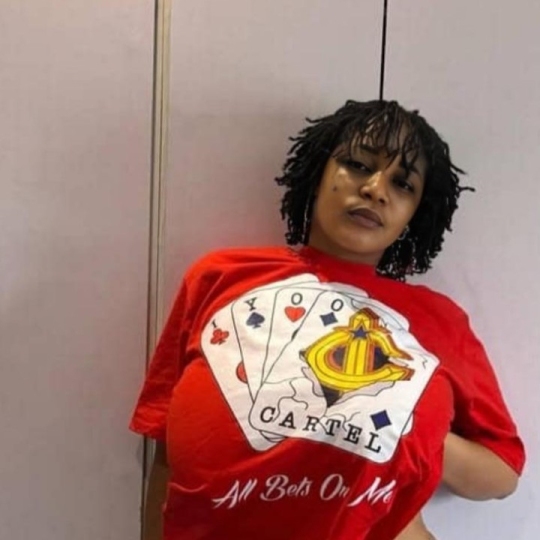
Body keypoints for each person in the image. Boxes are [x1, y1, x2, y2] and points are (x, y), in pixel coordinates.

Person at [130, 100, 525, 540]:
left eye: (403, 184)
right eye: (358, 165)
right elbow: (163, 443)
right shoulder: (220, 276)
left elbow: (502, 473)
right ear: (319, 172)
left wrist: (405, 425)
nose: (375, 189)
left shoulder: (440, 320)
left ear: (416, 213)